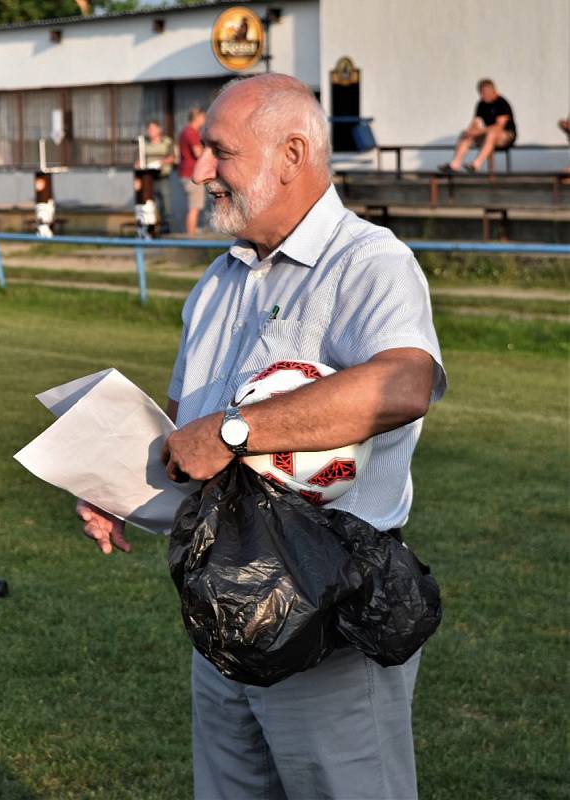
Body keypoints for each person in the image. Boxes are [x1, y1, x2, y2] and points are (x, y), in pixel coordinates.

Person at [77, 73, 447, 800]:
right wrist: (118, 491)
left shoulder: (366, 261)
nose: (199, 169)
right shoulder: (217, 281)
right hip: (222, 612)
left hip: (325, 612)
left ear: (292, 153)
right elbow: (190, 440)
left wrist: (240, 428)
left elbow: (405, 384)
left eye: (219, 152)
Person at [440, 78, 517, 173]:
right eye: (482, 93)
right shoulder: (481, 104)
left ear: (494, 90)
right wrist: (471, 131)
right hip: (488, 135)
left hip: (506, 136)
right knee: (466, 134)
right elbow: (476, 122)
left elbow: (499, 127)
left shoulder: (502, 103)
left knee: (492, 133)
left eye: (487, 92)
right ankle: (454, 165)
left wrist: (479, 131)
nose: (485, 95)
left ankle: (476, 165)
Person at [142, 119, 175, 231]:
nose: (151, 131)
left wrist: (161, 162)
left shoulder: (166, 142)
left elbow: (172, 157)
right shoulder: (144, 143)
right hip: (148, 178)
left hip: (162, 176)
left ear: (159, 129)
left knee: (165, 203)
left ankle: (166, 227)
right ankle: (151, 228)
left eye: (153, 128)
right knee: (150, 204)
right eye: (149, 129)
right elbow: (138, 160)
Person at [178, 107, 206, 235]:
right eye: (203, 117)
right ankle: (191, 237)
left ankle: (192, 233)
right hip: (192, 174)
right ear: (197, 118)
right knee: (194, 207)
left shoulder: (185, 131)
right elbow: (198, 153)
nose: (204, 120)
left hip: (186, 173)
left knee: (193, 206)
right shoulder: (191, 132)